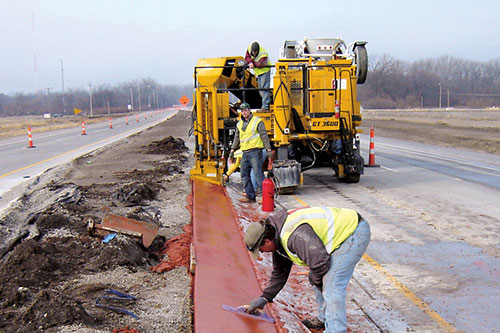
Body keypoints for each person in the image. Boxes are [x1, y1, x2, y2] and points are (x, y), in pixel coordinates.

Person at [243, 206, 371, 332]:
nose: (262, 253)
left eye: (260, 249)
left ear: (266, 241)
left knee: (332, 283)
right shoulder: (276, 233)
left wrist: (316, 278)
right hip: (340, 233)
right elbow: (280, 272)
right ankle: (324, 318)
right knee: (318, 277)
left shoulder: (293, 235)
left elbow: (321, 262)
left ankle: (336, 330)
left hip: (352, 232)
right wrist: (265, 297)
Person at [230, 102, 272, 203]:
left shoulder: (257, 122)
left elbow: (264, 136)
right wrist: (232, 150)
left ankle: (265, 198)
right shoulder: (239, 124)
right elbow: (237, 138)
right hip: (245, 152)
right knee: (244, 174)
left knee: (258, 174)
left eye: (245, 110)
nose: (244, 112)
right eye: (242, 111)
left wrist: (268, 150)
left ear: (249, 110)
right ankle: (250, 196)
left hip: (255, 152)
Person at [245, 41, 272, 111]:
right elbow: (247, 56)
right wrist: (250, 62)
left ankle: (265, 107)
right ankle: (266, 104)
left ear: (258, 50)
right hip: (258, 73)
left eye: (255, 52)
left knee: (264, 88)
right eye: (253, 52)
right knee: (261, 89)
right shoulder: (249, 48)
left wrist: (252, 63)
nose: (254, 54)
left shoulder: (263, 54)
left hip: (264, 71)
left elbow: (261, 64)